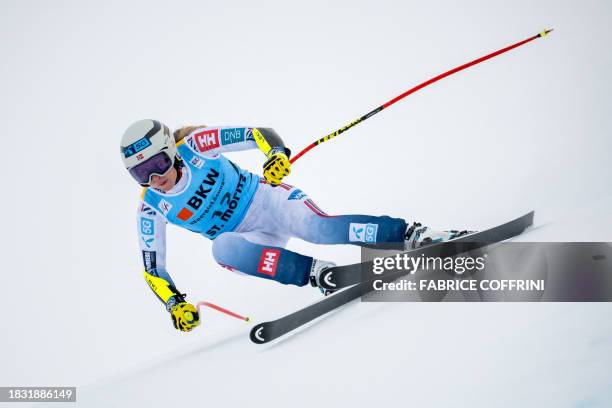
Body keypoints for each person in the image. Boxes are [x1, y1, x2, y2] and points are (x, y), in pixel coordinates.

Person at [120, 119, 469, 332]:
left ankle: (413, 235)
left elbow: (257, 133)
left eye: (159, 164)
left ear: (173, 151)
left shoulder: (196, 145)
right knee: (221, 248)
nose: (155, 178)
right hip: (249, 240)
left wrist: (275, 154)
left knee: (320, 229)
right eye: (141, 174)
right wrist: (174, 304)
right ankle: (318, 274)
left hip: (267, 202)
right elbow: (153, 269)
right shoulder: (151, 209)